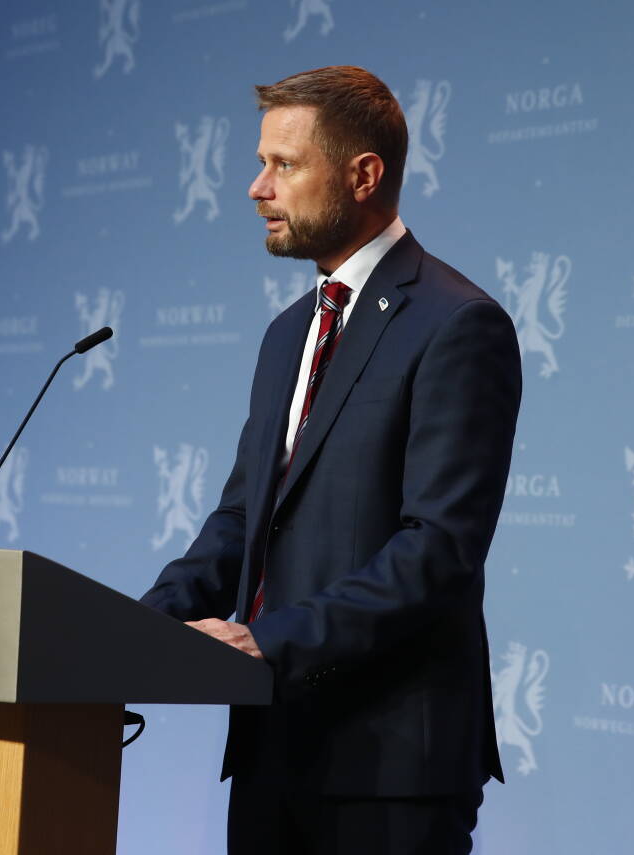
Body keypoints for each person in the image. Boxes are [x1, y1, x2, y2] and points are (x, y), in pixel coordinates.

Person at [139, 66, 521, 854]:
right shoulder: (288, 332)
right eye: (261, 162)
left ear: (362, 175)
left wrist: (269, 641)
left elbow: (437, 551)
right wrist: (134, 632)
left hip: (390, 768)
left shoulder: (459, 325)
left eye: (283, 164)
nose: (256, 187)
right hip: (273, 752)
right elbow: (243, 518)